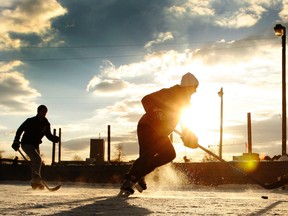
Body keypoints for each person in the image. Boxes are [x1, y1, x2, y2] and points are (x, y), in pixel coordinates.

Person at [119, 72, 199, 196]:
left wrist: (190, 138)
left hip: (160, 132)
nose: (195, 91)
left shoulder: (186, 103)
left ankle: (140, 175)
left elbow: (185, 123)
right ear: (188, 86)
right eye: (194, 87)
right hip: (147, 126)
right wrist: (156, 111)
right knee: (148, 155)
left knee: (169, 154)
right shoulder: (169, 93)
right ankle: (130, 180)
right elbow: (146, 99)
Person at [11, 105, 59, 189]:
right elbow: (20, 130)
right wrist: (16, 141)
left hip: (35, 145)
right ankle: (36, 181)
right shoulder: (30, 121)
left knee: (37, 163)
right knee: (37, 159)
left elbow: (48, 134)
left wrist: (54, 139)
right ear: (38, 112)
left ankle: (35, 183)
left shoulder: (46, 124)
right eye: (42, 111)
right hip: (26, 144)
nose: (44, 113)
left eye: (45, 112)